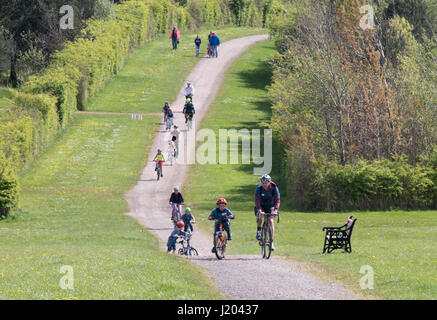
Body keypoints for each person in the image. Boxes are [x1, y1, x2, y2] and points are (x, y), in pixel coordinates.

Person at [254, 174, 280, 251]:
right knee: (260, 216)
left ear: (269, 182)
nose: (264, 184)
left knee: (271, 221)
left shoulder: (274, 188)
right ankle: (259, 231)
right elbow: (257, 200)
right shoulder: (259, 189)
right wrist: (259, 210)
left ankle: (271, 241)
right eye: (263, 183)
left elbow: (277, 200)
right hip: (261, 206)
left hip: (271, 206)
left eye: (266, 182)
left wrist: (275, 210)